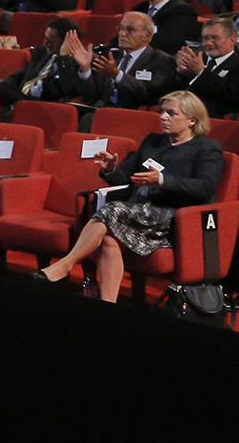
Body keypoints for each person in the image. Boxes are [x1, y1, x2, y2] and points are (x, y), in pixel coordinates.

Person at [36, 93, 225, 302]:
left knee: (112, 210)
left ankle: (66, 264)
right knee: (108, 241)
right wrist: (111, 169)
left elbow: (205, 188)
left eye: (171, 113)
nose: (163, 117)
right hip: (136, 213)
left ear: (192, 120)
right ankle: (108, 304)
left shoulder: (207, 148)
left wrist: (161, 180)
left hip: (173, 218)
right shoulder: (152, 142)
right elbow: (125, 177)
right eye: (162, 112)